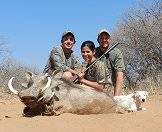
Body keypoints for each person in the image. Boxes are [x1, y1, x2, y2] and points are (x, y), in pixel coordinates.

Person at [96, 29, 125, 96]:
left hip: (112, 87)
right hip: (98, 87)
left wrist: (116, 97)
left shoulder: (117, 53)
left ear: (110, 40)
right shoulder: (94, 52)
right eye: (101, 38)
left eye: (106, 38)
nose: (104, 40)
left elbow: (119, 75)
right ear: (98, 40)